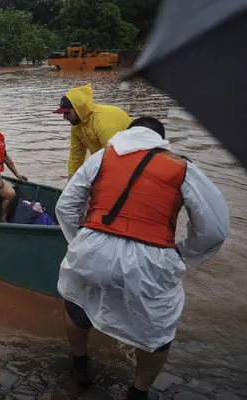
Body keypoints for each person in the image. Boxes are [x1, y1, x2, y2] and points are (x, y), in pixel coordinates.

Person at [55, 116, 229, 400]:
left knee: (77, 303)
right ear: (162, 140)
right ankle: (139, 390)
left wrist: (81, 242)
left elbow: (66, 206)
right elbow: (215, 229)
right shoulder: (182, 167)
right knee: (156, 332)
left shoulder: (102, 157)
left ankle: (79, 362)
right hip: (152, 258)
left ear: (127, 133)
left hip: (92, 246)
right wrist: (183, 254)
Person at [54, 83, 132, 179]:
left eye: (67, 113)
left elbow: (114, 158)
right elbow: (76, 157)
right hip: (108, 159)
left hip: (130, 157)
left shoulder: (102, 123)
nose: (65, 117)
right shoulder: (76, 126)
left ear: (78, 108)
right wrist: (70, 184)